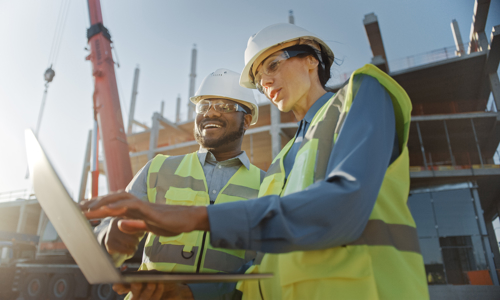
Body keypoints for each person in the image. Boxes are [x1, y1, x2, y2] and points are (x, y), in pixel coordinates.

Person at [84, 23, 429, 300]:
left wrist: (193, 216)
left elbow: (342, 208)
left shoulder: (361, 94)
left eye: (273, 65)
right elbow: (257, 266)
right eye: (260, 78)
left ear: (311, 59)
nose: (266, 81)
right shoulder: (280, 165)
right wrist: (188, 292)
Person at [87, 68, 265, 300]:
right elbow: (111, 227)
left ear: (247, 120)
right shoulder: (158, 169)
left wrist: (196, 293)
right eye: (204, 106)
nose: (211, 113)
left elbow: (264, 266)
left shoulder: (267, 185)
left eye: (225, 106)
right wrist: (107, 240)